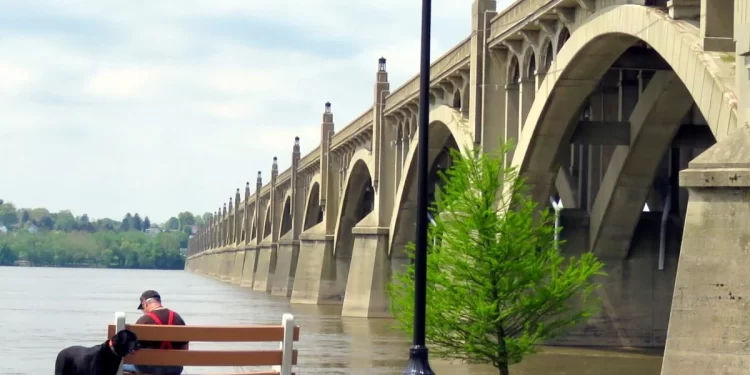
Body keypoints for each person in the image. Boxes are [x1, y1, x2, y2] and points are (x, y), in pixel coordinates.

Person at [122, 290, 189, 375]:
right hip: (175, 369)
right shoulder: (177, 318)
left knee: (114, 365)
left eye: (143, 308)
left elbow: (132, 351)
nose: (144, 311)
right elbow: (185, 349)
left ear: (144, 304)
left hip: (148, 369)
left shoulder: (144, 320)